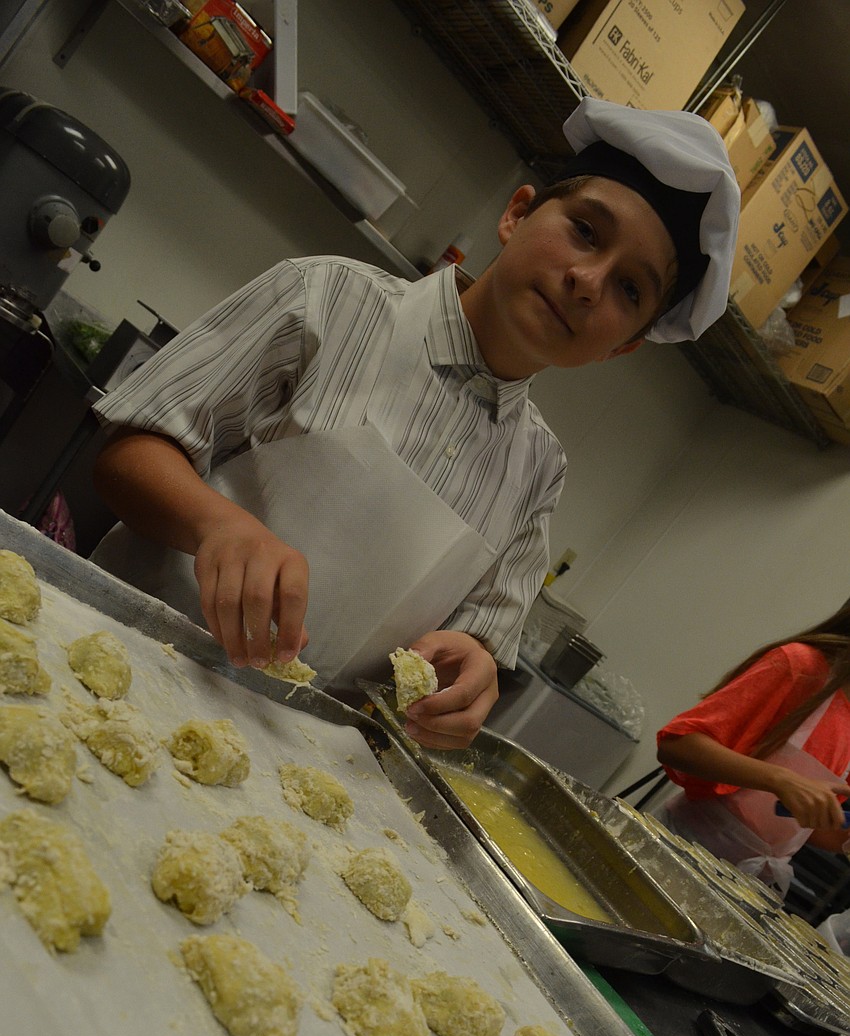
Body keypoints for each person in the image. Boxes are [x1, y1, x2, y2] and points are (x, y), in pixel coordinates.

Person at [90, 97, 739, 750]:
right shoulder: (329, 300)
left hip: (283, 753)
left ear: (623, 344)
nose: (588, 280)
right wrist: (218, 526)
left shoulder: (538, 469)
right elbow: (126, 452)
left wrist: (472, 668)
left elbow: (479, 638)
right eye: (586, 231)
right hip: (121, 659)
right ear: (517, 213)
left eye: (631, 290)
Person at [655, 602, 850, 894]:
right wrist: (779, 779)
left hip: (742, 887)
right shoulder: (800, 667)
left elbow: (814, 828)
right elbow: (677, 745)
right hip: (673, 850)